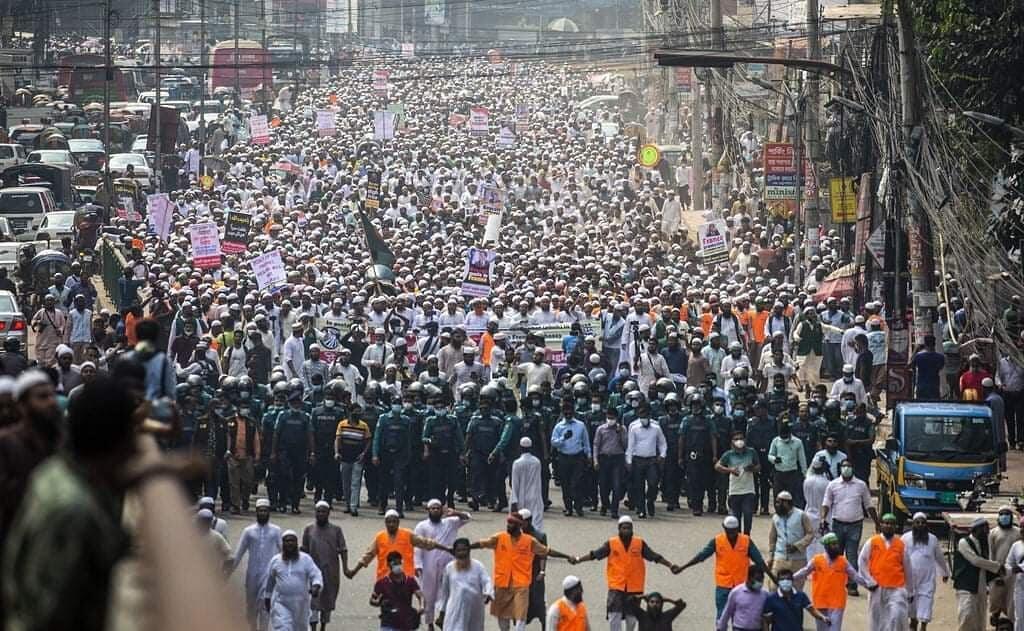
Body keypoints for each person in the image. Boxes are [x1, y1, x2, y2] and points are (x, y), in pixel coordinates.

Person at [0, 375, 136, 631]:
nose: (51, 402)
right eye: (42, 396)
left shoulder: (55, 467)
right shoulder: (73, 509)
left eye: (52, 395)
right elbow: (47, 612)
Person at [570, 515, 681, 631]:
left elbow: (654, 557)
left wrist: (670, 565)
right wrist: (578, 560)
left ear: (632, 529)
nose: (627, 531)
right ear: (619, 529)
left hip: (634, 587)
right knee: (614, 616)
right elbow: (595, 554)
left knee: (631, 619)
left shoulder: (639, 543)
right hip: (616, 586)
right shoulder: (611, 543)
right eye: (624, 528)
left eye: (629, 528)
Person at [471, 514, 573, 631]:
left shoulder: (529, 541)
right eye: (508, 523)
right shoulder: (499, 538)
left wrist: (567, 556)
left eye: (511, 523)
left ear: (519, 525)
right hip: (502, 583)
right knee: (502, 618)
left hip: (521, 585)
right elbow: (482, 544)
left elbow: (546, 551)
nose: (508, 526)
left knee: (521, 617)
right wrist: (466, 547)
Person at [677, 515, 770, 619]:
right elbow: (701, 556)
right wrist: (683, 567)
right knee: (721, 616)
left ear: (737, 529)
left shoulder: (746, 541)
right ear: (724, 528)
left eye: (733, 531)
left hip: (741, 585)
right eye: (729, 531)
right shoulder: (717, 541)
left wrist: (774, 579)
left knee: (741, 617)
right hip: (723, 584)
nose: (731, 534)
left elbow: (760, 562)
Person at [820, 458, 878, 596]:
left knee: (852, 555)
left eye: (849, 466)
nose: (846, 468)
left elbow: (868, 504)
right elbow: (826, 503)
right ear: (840, 468)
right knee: (836, 555)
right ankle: (835, 582)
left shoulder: (861, 485)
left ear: (853, 468)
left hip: (855, 525)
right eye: (844, 466)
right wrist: (823, 518)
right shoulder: (833, 485)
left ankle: (852, 585)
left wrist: (877, 522)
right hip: (837, 524)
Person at [414, 500, 471, 630]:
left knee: (447, 593)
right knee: (428, 595)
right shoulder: (421, 526)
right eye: (432, 508)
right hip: (429, 565)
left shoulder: (450, 523)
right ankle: (429, 623)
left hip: (448, 564)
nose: (435, 510)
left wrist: (455, 512)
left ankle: (443, 618)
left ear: (442, 510)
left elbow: (468, 518)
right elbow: (417, 547)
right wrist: (417, 565)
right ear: (427, 510)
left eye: (438, 508)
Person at [794, 532, 869, 630]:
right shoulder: (817, 560)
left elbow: (855, 576)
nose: (836, 546)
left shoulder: (843, 562)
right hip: (820, 600)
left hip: (837, 602)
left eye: (836, 544)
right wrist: (791, 577)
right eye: (833, 544)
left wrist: (868, 585)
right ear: (826, 546)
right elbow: (804, 571)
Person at [349, 510, 447, 581]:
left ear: (398, 522)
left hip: (405, 579)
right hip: (385, 579)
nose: (391, 524)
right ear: (385, 523)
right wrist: (354, 571)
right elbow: (368, 555)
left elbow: (427, 543)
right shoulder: (380, 537)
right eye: (389, 522)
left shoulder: (408, 535)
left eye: (394, 521)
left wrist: (447, 549)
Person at [232, 498, 283, 630]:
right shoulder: (248, 531)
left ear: (269, 512)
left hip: (269, 575)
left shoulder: (276, 531)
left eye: (265, 511)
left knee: (265, 606)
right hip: (252, 574)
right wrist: (229, 571)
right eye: (260, 511)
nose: (263, 513)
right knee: (251, 608)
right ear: (256, 512)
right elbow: (238, 553)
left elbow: (284, 552)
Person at [858, 513, 914, 631]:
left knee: (897, 616)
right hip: (877, 587)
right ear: (881, 525)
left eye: (891, 524)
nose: (888, 526)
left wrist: (910, 591)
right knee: (877, 619)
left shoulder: (901, 544)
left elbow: (908, 568)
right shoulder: (872, 542)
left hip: (897, 588)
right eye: (886, 523)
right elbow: (862, 562)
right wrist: (869, 581)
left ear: (895, 526)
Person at [302, 501, 350, 631]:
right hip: (312, 570)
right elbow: (303, 551)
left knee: (327, 600)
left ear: (328, 513)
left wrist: (346, 568)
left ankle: (323, 626)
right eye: (318, 511)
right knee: (312, 601)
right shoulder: (309, 529)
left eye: (324, 511)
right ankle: (312, 627)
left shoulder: (336, 530)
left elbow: (343, 550)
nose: (321, 514)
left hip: (330, 571)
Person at [262, 530, 323, 631]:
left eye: (292, 540)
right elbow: (269, 582)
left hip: (301, 605)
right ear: (283, 543)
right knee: (283, 627)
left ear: (296, 543)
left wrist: (316, 586)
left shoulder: (306, 559)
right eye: (287, 541)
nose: (290, 543)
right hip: (281, 604)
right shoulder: (275, 561)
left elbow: (316, 574)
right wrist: (267, 598)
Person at [954, 516, 1005, 631]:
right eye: (985, 529)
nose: (987, 532)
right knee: (966, 614)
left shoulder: (984, 544)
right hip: (966, 585)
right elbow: (975, 560)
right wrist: (997, 567)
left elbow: (987, 561)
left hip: (980, 585)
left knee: (980, 616)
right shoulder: (964, 542)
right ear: (976, 529)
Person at [901, 512, 950, 631]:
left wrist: (945, 572)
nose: (920, 525)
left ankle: (923, 626)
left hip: (927, 579)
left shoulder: (932, 539)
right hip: (910, 579)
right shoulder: (905, 538)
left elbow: (939, 557)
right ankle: (913, 623)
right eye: (917, 522)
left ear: (926, 525)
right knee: (911, 605)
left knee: (926, 602)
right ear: (913, 524)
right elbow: (899, 556)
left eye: (923, 522)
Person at [436, 538, 494, 631]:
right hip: (455, 610)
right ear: (454, 552)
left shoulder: (478, 566)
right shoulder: (449, 568)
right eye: (458, 550)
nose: (462, 553)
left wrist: (488, 593)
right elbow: (445, 593)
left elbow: (487, 581)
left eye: (464, 550)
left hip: (474, 610)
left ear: (469, 550)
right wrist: (442, 613)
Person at [625, 402, 667, 518]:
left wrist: (662, 455)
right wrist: (628, 461)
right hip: (638, 459)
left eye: (645, 415)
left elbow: (663, 443)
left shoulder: (656, 428)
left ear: (649, 415)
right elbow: (630, 445)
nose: (643, 418)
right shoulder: (634, 427)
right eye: (641, 415)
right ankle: (641, 509)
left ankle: (650, 501)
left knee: (653, 483)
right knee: (639, 486)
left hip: (652, 460)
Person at [550, 400, 592, 517]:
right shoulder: (559, 426)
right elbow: (553, 442)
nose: (568, 415)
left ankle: (578, 507)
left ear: (573, 412)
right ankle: (568, 507)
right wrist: (563, 438)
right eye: (566, 413)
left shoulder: (580, 425)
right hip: (563, 458)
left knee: (576, 483)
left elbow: (586, 441)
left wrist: (589, 456)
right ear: (563, 413)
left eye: (570, 413)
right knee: (565, 484)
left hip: (577, 457)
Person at [714, 430, 759, 534]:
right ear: (732, 442)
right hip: (734, 490)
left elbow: (758, 467)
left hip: (748, 489)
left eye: (741, 438)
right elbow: (717, 466)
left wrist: (752, 468)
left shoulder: (751, 452)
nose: (739, 441)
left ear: (745, 440)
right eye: (736, 439)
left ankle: (747, 536)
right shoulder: (728, 454)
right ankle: (738, 539)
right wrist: (730, 470)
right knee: (736, 517)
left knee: (748, 514)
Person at [767, 491, 814, 583]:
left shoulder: (801, 515)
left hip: (798, 559)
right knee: (774, 586)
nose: (776, 505)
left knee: (796, 588)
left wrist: (797, 546)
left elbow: (810, 534)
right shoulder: (776, 517)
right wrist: (770, 557)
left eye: (778, 502)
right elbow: (772, 538)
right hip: (780, 557)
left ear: (786, 503)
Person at [372, 550, 424, 631]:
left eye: (399, 563)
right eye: (395, 564)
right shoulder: (381, 583)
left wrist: (421, 606)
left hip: (405, 624)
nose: (398, 566)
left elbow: (420, 595)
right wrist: (378, 602)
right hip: (388, 624)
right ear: (389, 565)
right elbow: (372, 600)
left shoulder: (410, 581)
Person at [989, 505, 1019, 624]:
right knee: (995, 597)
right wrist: (994, 572)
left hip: (1013, 571)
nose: (1004, 517)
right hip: (998, 570)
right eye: (1002, 514)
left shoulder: (1017, 532)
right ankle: (995, 615)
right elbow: (991, 553)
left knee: (1012, 598)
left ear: (1011, 517)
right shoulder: (993, 533)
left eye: (1007, 514)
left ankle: (1012, 621)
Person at [509, 436, 545, 533]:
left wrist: (513, 501)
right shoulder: (537, 462)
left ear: (520, 447)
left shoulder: (517, 463)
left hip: (521, 497)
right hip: (535, 496)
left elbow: (515, 483)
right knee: (536, 524)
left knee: (521, 524)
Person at [716, 565, 769, 631]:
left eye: (761, 580)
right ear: (749, 578)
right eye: (757, 579)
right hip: (739, 628)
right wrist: (721, 627)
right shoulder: (736, 592)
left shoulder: (765, 595)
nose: (760, 583)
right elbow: (727, 611)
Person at [1002, 525, 1024, 631]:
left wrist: (1020, 567)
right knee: (1019, 618)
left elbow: (1020, 567)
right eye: (1022, 528)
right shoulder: (1016, 546)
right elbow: (1008, 563)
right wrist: (1009, 569)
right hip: (1020, 587)